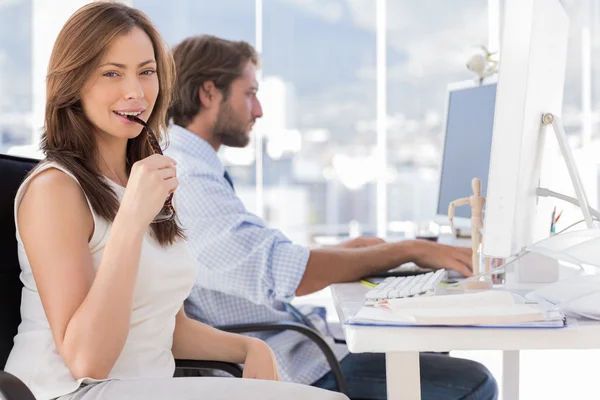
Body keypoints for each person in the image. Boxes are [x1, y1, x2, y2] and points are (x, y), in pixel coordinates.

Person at [3, 4, 349, 400]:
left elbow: (166, 325)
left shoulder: (147, 180)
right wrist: (130, 221)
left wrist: (249, 347)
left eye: (146, 72)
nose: (135, 91)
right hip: (70, 392)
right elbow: (86, 362)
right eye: (111, 73)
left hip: (145, 388)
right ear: (74, 84)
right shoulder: (55, 190)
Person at [165, 35, 499, 400]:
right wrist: (406, 250)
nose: (258, 110)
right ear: (208, 93)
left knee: (426, 353)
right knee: (476, 383)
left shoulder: (194, 166)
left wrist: (349, 252)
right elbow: (283, 272)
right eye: (249, 93)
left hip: (297, 344)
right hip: (292, 366)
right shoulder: (189, 177)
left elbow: (259, 260)